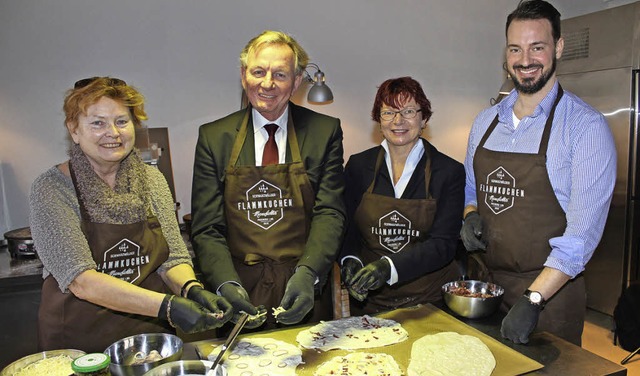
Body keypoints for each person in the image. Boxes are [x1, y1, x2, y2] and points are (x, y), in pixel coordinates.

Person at [29, 77, 233, 353]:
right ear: (74, 130)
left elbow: (172, 258)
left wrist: (191, 289)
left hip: (148, 340)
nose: (113, 132)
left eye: (121, 121)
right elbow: (82, 280)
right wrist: (168, 306)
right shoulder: (52, 188)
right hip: (79, 346)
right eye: (98, 123)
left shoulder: (152, 180)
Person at [460, 0, 616, 346]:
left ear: (558, 47)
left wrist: (533, 299)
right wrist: (470, 214)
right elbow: (472, 190)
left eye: (537, 47)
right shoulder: (485, 122)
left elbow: (581, 236)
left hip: (550, 299)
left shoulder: (584, 128)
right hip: (485, 289)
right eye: (515, 48)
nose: (525, 60)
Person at [191, 30, 346, 329]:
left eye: (280, 74)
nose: (267, 84)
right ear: (243, 75)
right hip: (240, 288)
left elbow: (331, 211)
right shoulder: (214, 137)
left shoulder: (324, 131)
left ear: (297, 81)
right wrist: (225, 284)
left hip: (303, 288)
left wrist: (309, 273)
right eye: (258, 72)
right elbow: (207, 226)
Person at [340, 77, 464, 315]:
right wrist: (349, 258)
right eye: (388, 112)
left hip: (429, 302)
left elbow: (443, 245)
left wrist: (388, 268)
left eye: (408, 111)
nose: (398, 121)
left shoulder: (449, 171)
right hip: (370, 302)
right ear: (379, 120)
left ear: (424, 118)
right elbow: (348, 228)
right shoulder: (358, 166)